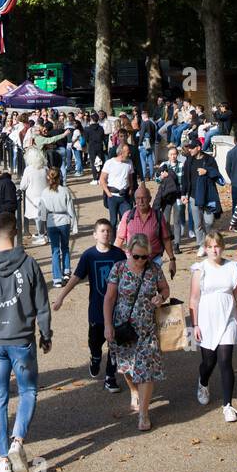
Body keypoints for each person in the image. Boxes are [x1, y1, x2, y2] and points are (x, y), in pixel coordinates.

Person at [0, 212, 52, 472]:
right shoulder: (28, 265)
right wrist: (46, 333)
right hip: (22, 339)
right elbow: (42, 304)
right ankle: (18, 439)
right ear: (15, 232)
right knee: (28, 391)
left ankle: (3, 456)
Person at [103, 233, 169, 431]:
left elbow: (165, 289)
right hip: (123, 328)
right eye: (137, 256)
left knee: (145, 370)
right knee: (127, 367)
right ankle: (133, 390)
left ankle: (143, 413)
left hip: (148, 328)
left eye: (144, 257)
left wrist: (161, 297)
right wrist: (108, 325)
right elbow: (109, 298)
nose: (140, 261)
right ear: (129, 252)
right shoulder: (119, 268)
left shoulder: (154, 269)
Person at [53, 218, 125, 391]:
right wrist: (61, 297)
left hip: (117, 310)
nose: (106, 233)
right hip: (96, 309)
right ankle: (95, 357)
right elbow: (76, 277)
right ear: (94, 235)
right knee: (95, 342)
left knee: (114, 345)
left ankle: (110, 377)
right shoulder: (89, 255)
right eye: (102, 231)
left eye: (108, 231)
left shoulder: (119, 255)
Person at [189, 229, 237, 422]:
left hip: (228, 319)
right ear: (205, 249)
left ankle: (228, 405)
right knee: (209, 362)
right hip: (206, 320)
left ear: (222, 248)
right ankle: (203, 382)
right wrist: (194, 325)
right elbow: (194, 299)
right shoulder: (200, 269)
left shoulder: (232, 268)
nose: (214, 250)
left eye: (217, 247)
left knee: (225, 361)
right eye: (210, 247)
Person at [116, 182, 177, 279]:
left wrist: (172, 260)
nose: (141, 201)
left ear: (150, 199)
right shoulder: (127, 216)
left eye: (144, 198)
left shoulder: (158, 216)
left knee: (151, 289)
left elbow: (166, 239)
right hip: (132, 260)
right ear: (135, 200)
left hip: (154, 260)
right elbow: (119, 239)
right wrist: (112, 259)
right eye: (138, 198)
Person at [36, 165, 79, 287]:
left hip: (51, 222)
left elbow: (42, 212)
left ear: (48, 178)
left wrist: (42, 228)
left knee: (55, 250)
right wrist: (74, 224)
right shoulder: (65, 191)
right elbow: (71, 209)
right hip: (64, 221)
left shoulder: (44, 192)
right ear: (60, 177)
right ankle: (66, 271)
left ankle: (57, 278)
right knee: (65, 247)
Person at [153, 145, 191, 252]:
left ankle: (177, 244)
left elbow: (185, 181)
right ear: (168, 155)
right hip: (166, 197)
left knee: (177, 220)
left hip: (178, 196)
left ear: (177, 155)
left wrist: (185, 195)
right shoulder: (164, 165)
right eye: (171, 154)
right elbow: (156, 180)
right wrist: (161, 177)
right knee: (166, 221)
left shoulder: (182, 165)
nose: (173, 156)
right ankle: (168, 238)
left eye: (175, 154)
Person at [190, 142, 224, 256]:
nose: (190, 150)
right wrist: (184, 194)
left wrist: (207, 172)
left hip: (208, 196)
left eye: (192, 147)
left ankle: (210, 242)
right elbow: (185, 178)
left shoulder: (209, 160)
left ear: (198, 148)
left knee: (209, 222)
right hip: (193, 197)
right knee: (198, 223)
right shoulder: (189, 161)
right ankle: (202, 245)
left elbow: (217, 174)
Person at [98, 141, 135, 231]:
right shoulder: (109, 163)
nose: (129, 154)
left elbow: (130, 178)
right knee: (113, 221)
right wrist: (108, 193)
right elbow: (102, 179)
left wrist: (130, 189)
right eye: (127, 152)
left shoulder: (129, 163)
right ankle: (113, 242)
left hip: (124, 196)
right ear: (121, 152)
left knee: (128, 218)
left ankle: (127, 239)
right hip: (113, 196)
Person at [20, 147, 50, 247]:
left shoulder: (28, 169)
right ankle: (46, 235)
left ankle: (42, 236)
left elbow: (22, 185)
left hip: (33, 197)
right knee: (45, 217)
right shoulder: (45, 168)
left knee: (38, 217)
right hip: (45, 195)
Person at [84, 113, 107, 185]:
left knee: (93, 162)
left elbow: (86, 139)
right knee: (100, 162)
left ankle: (95, 179)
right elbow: (103, 137)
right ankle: (100, 178)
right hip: (99, 146)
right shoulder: (101, 128)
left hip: (91, 146)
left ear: (91, 119)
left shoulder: (87, 129)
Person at [137, 111, 158, 182]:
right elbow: (155, 133)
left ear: (143, 116)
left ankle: (144, 176)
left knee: (143, 160)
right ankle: (152, 176)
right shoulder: (152, 123)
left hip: (144, 144)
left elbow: (142, 135)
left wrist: (139, 144)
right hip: (151, 143)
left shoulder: (144, 123)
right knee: (150, 159)